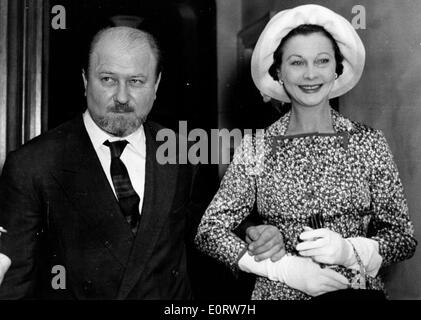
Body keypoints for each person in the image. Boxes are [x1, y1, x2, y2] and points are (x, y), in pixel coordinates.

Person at [0, 26, 283, 299]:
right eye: (108, 79)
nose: (122, 97)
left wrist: (252, 233)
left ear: (156, 85)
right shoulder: (32, 165)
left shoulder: (183, 150)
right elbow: (14, 285)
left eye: (136, 81)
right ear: (86, 80)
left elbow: (209, 221)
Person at [195, 4, 417, 300]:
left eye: (322, 61)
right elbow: (209, 231)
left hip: (357, 292)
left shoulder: (369, 142)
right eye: (297, 62)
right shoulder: (256, 147)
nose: (310, 74)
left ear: (337, 69)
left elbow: (403, 237)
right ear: (279, 72)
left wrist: (352, 251)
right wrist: (284, 269)